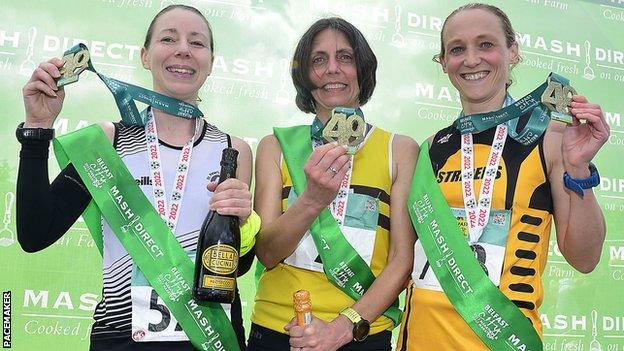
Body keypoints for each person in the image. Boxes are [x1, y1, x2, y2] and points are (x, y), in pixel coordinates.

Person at [16, 5, 256, 350]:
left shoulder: (233, 150)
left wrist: (246, 223)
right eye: (168, 39)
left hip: (211, 337)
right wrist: (37, 129)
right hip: (120, 338)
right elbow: (35, 233)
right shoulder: (107, 142)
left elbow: (238, 266)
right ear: (145, 56)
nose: (183, 49)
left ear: (212, 61)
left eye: (197, 42)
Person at [397, 3, 609, 350]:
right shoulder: (432, 147)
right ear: (443, 62)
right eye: (456, 49)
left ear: (513, 51)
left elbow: (585, 259)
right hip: (419, 340)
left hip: (504, 340)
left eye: (486, 44)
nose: (470, 59)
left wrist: (578, 167)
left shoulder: (552, 139)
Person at [248, 17, 417, 351]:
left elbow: (402, 260)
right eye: (318, 60)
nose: (332, 69)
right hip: (277, 328)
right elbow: (266, 252)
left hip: (361, 331)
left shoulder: (399, 150)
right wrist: (312, 199)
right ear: (304, 75)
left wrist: (342, 327)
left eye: (345, 57)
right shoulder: (276, 146)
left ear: (362, 68)